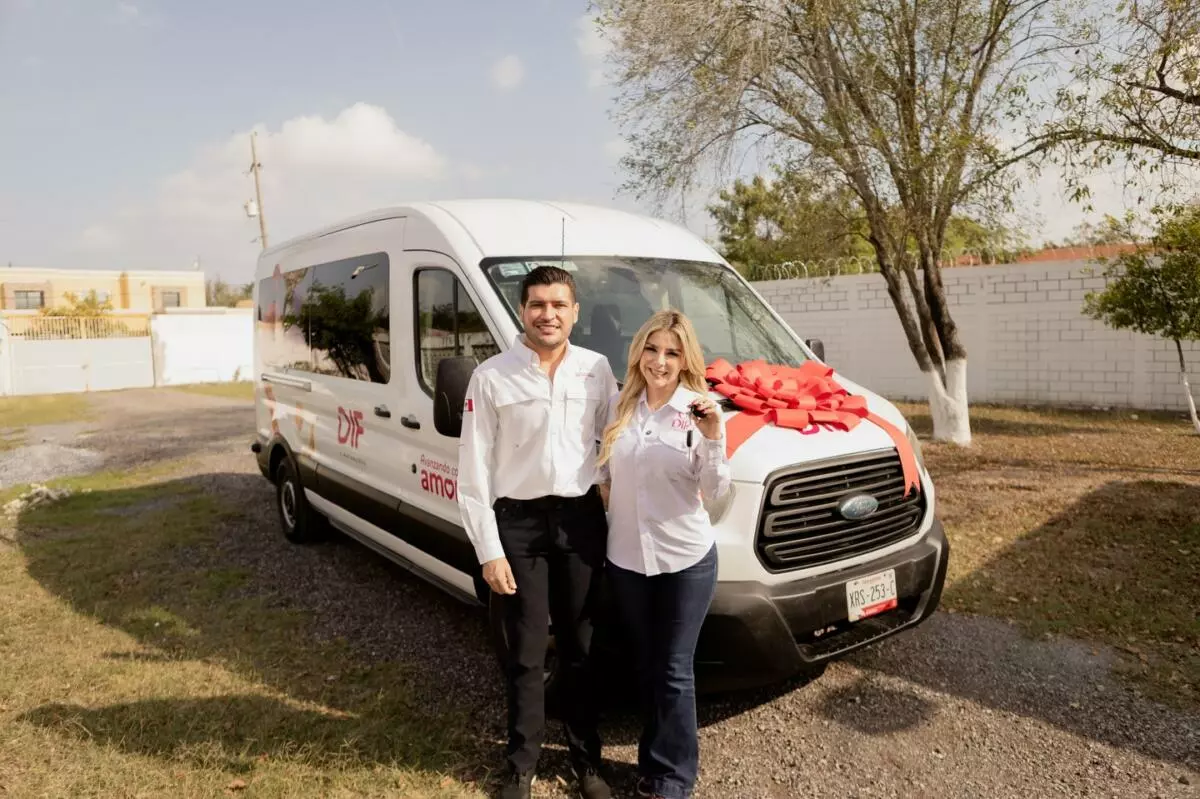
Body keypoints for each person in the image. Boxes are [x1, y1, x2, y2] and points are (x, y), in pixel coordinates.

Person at [457, 265, 618, 799]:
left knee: (581, 647)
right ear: (522, 311)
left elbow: (614, 448)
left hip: (579, 521)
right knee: (526, 652)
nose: (547, 314)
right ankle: (521, 767)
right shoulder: (493, 376)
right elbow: (473, 469)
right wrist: (489, 550)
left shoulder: (597, 371)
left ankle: (586, 762)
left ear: (574, 312)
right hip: (519, 526)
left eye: (558, 304)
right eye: (537, 305)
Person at [596, 309, 731, 799]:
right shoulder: (619, 405)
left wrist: (714, 437)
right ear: (639, 353)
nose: (660, 361)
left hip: (685, 562)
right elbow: (603, 474)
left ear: (685, 359)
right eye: (652, 349)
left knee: (674, 670)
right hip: (627, 560)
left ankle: (673, 779)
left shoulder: (699, 411)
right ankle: (651, 763)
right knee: (647, 665)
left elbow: (715, 492)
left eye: (672, 352)